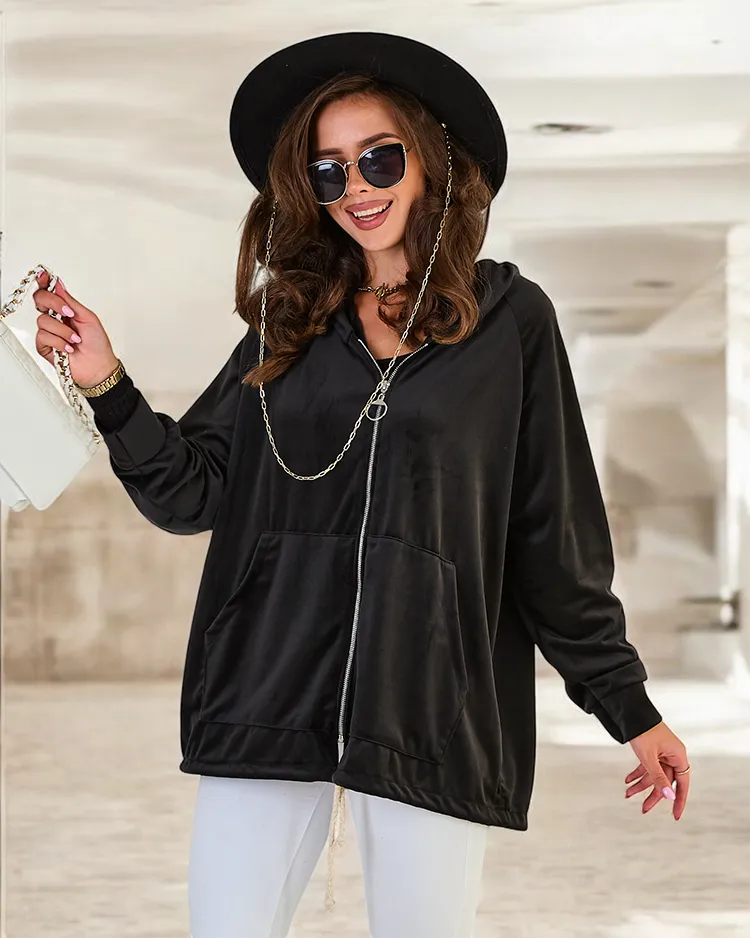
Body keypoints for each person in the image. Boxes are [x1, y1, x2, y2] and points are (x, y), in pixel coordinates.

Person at [33, 31, 691, 938]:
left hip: (431, 701)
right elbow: (191, 494)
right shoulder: (288, 324)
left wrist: (628, 706)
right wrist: (107, 382)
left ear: (429, 160)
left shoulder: (511, 322)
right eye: (330, 170)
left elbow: (552, 536)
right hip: (265, 687)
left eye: (380, 157)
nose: (357, 187)